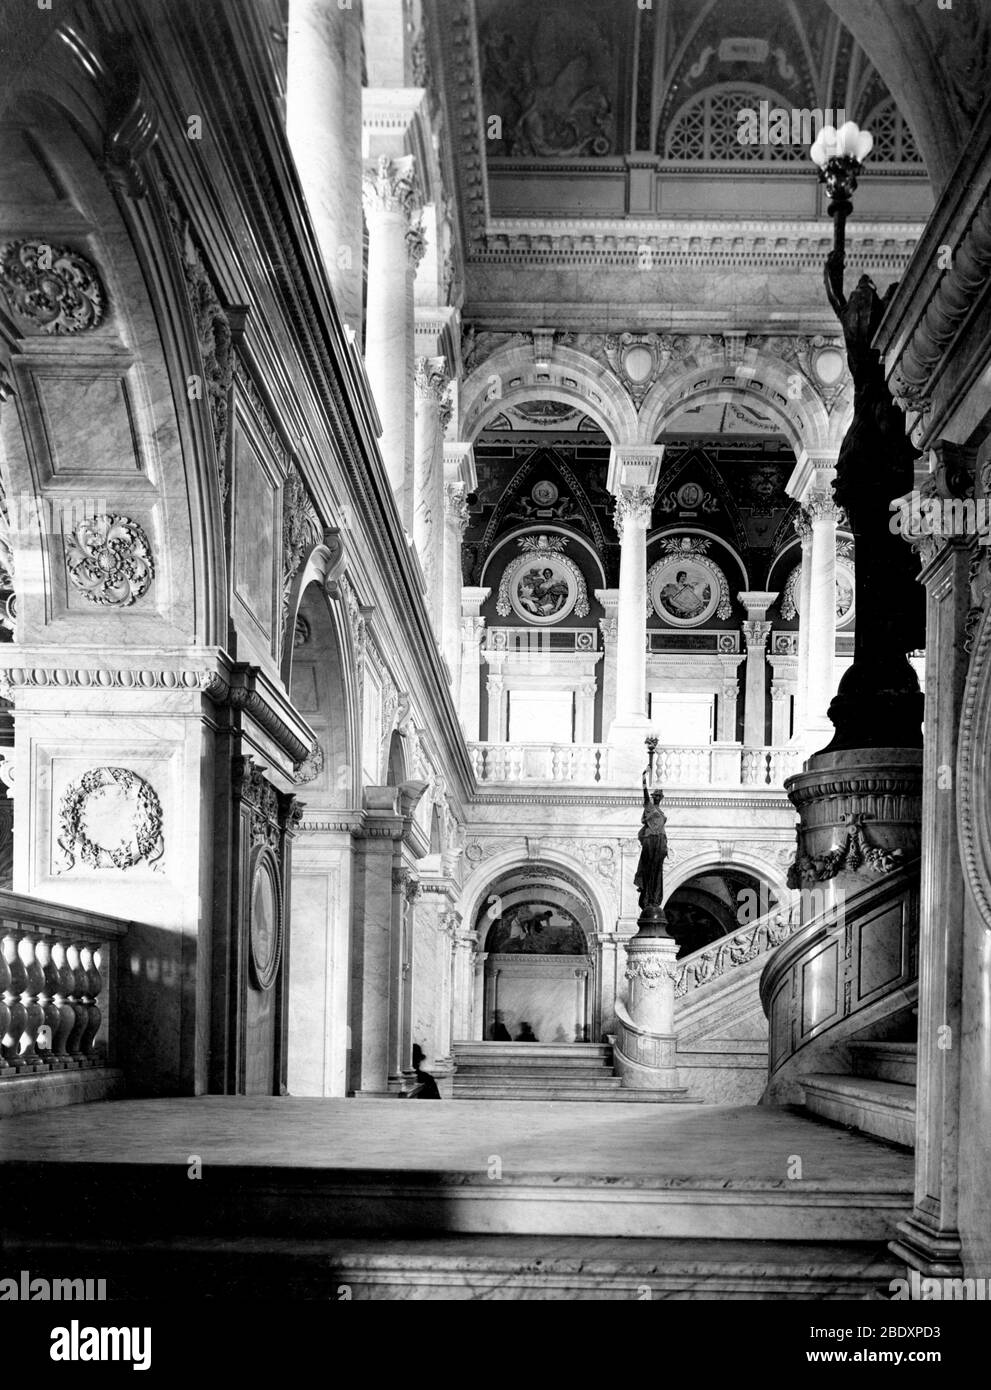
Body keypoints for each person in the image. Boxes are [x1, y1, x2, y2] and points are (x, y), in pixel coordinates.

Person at [634, 771, 668, 910]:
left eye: (659, 796)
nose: (657, 798)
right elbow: (645, 795)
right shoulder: (649, 807)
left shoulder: (660, 811)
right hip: (651, 839)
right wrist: (643, 779)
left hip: (660, 840)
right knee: (650, 868)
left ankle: (654, 897)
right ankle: (647, 895)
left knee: (657, 870)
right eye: (656, 796)